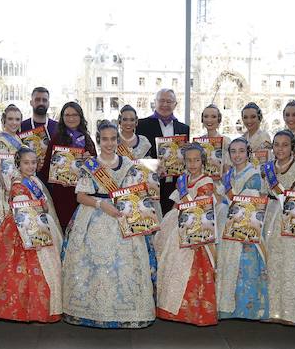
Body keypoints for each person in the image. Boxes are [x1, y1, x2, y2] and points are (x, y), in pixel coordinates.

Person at [61, 122, 156, 328]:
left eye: (113, 139)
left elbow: (135, 193)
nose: (109, 143)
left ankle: (129, 311)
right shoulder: (90, 166)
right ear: (98, 140)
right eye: (105, 139)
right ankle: (89, 311)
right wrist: (101, 204)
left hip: (123, 217)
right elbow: (80, 196)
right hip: (93, 215)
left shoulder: (129, 164)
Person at [0, 147, 62, 323]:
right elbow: (25, 215)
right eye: (26, 163)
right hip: (26, 228)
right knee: (28, 270)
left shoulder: (34, 180)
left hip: (40, 223)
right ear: (18, 164)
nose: (30, 166)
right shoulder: (19, 185)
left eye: (33, 162)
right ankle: (30, 310)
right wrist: (34, 237)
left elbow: (43, 204)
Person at [153, 142, 219, 326]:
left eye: (196, 160)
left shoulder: (206, 181)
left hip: (196, 226)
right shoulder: (183, 179)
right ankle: (170, 307)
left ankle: (195, 312)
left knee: (192, 268)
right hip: (179, 221)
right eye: (189, 160)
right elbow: (176, 204)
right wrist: (168, 221)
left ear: (203, 161)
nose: (192, 164)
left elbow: (201, 208)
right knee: (168, 257)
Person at [261, 130, 295, 327]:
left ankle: (291, 312)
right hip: (270, 218)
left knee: (291, 264)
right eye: (276, 145)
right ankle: (271, 310)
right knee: (271, 263)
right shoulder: (267, 168)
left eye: (285, 145)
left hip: (293, 219)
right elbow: (263, 194)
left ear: (293, 147)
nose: (280, 149)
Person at [216, 137, 269, 320]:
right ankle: (226, 305)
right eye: (233, 151)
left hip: (245, 225)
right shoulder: (228, 175)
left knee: (245, 264)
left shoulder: (253, 175)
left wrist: (226, 201)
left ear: (248, 153)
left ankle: (245, 308)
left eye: (241, 151)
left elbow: (251, 203)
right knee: (227, 262)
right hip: (227, 223)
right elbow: (220, 197)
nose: (237, 155)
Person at [37, 101, 97, 231]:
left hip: (83, 193)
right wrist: (57, 178)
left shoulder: (87, 139)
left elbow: (96, 169)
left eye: (75, 115)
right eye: (67, 115)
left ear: (80, 117)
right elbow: (47, 168)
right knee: (65, 228)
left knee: (81, 229)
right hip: (63, 193)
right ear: (62, 118)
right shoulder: (57, 138)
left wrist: (90, 160)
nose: (71, 118)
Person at [136, 89, 191, 214]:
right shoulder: (141, 125)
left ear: (175, 104)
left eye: (169, 101)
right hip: (152, 183)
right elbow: (136, 156)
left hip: (175, 186)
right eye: (161, 100)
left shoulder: (184, 128)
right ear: (155, 102)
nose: (165, 104)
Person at [0, 104, 25, 217]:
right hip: (6, 186)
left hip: (18, 181)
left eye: (17, 119)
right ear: (4, 120)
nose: (14, 122)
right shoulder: (1, 140)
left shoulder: (17, 138)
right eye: (10, 119)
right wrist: (10, 189)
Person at [20, 86, 59, 170]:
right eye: (37, 100)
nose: (41, 103)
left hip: (52, 178)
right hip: (28, 177)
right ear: (31, 102)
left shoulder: (58, 127)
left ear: (48, 103)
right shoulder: (21, 127)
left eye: (44, 100)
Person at [197, 104, 231, 175]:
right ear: (202, 119)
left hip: (219, 183)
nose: (209, 120)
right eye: (206, 116)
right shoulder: (198, 142)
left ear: (219, 119)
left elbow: (228, 170)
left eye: (213, 117)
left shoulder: (226, 141)